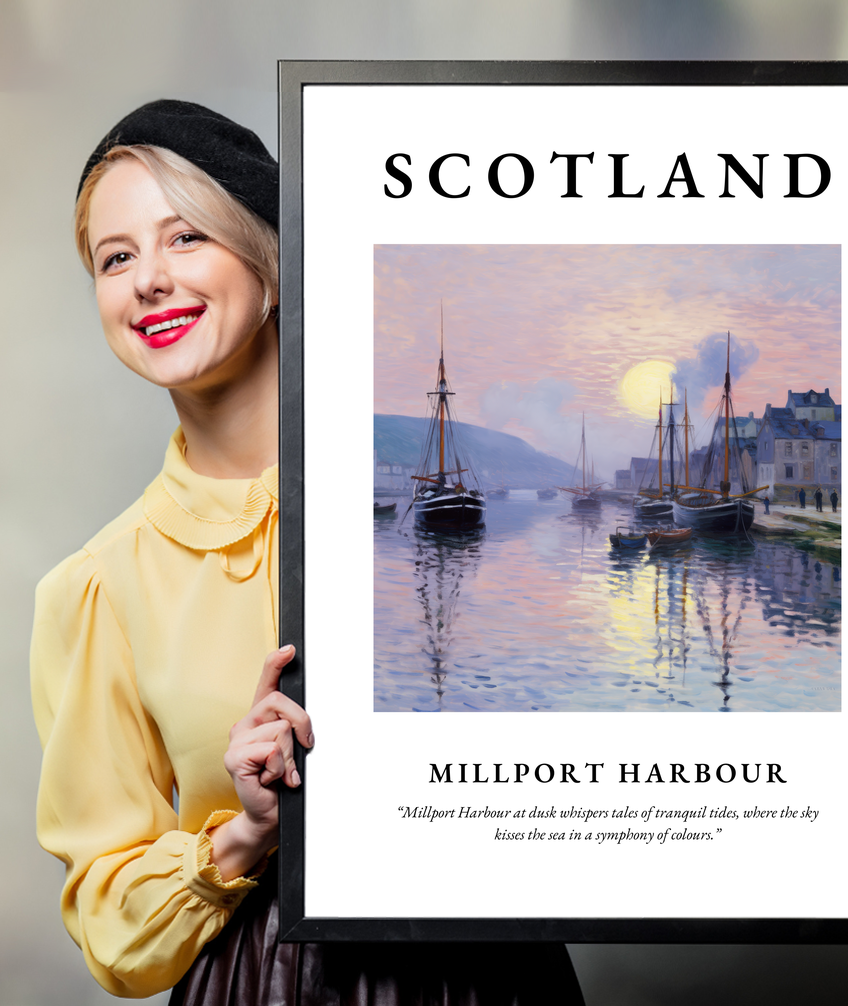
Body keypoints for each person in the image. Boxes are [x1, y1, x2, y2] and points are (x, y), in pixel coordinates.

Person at [30, 100, 584, 1004]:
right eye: (115, 257)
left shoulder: (397, 521)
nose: (148, 280)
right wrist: (244, 833)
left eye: (186, 238)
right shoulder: (98, 587)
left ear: (273, 263)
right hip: (265, 981)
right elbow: (110, 923)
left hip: (494, 972)